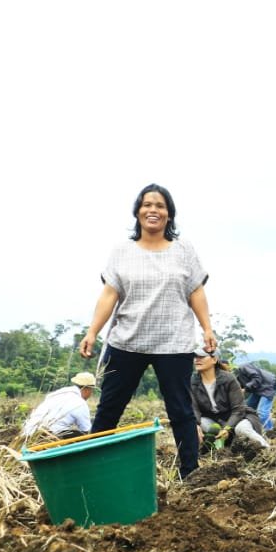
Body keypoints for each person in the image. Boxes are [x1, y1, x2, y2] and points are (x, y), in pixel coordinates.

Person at [79, 183, 215, 479]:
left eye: (160, 206)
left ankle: (191, 474)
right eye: (147, 205)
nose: (153, 210)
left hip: (173, 343)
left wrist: (207, 328)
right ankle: (90, 469)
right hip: (127, 341)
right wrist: (92, 332)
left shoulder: (183, 250)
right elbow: (109, 294)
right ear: (138, 212)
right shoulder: (122, 251)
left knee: (181, 411)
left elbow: (196, 292)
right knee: (109, 409)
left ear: (169, 215)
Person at [189, 349, 269, 451]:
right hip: (214, 419)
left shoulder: (228, 379)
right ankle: (216, 447)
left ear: (214, 360)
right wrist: (195, 424)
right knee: (200, 424)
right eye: (196, 357)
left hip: (238, 418)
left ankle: (266, 449)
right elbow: (194, 408)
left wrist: (227, 428)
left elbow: (238, 409)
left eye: (202, 357)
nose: (197, 360)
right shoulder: (192, 381)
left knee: (242, 429)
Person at [21, 372, 97, 439]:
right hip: (46, 437)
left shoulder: (57, 394)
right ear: (87, 389)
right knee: (81, 435)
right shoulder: (80, 403)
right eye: (91, 391)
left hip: (27, 434)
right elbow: (86, 430)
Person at [233, 361, 276, 432]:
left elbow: (257, 378)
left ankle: (269, 431)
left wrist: (245, 389)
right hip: (258, 388)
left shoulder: (243, 367)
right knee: (248, 407)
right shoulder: (234, 378)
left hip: (269, 385)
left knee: (262, 413)